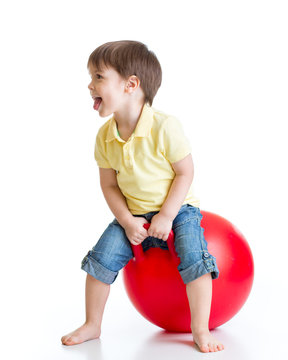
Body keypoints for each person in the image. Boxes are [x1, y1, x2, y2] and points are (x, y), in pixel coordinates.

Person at [61, 40, 224, 353]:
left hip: (179, 209)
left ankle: (200, 329)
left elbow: (185, 173)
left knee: (195, 258)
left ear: (130, 84)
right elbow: (109, 185)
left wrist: (166, 215)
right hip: (133, 214)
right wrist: (126, 220)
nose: (89, 85)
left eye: (98, 77)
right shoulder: (105, 136)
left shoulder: (165, 127)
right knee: (99, 262)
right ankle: (92, 323)